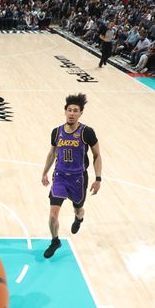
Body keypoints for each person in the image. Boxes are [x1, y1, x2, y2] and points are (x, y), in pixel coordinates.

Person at [41, 93, 103, 258]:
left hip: (78, 179)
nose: (72, 113)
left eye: (76, 110)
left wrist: (98, 179)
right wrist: (44, 172)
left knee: (78, 208)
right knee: (53, 214)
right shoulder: (57, 132)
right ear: (65, 111)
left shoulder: (87, 132)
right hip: (60, 177)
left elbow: (97, 155)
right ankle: (55, 241)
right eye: (69, 110)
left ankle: (79, 218)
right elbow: (52, 153)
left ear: (81, 113)